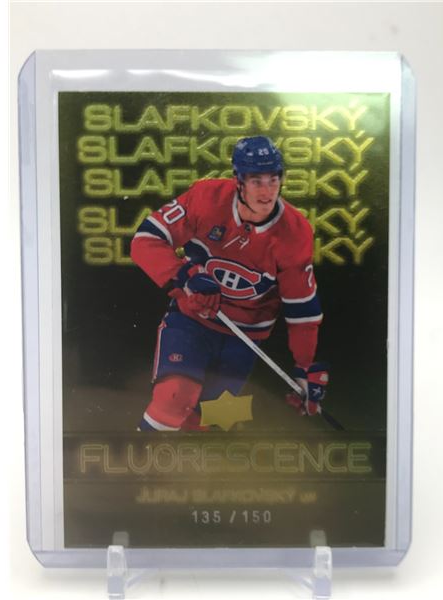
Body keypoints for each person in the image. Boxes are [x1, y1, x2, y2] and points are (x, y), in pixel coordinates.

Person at [130, 136, 328, 431]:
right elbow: (146, 240)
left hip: (245, 338)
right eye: (256, 181)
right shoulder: (206, 197)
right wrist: (186, 275)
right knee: (174, 397)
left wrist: (305, 366)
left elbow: (302, 310)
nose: (266, 192)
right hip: (192, 320)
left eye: (273, 180)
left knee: (209, 421)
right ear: (239, 180)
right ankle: (140, 456)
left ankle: (183, 461)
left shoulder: (295, 231)